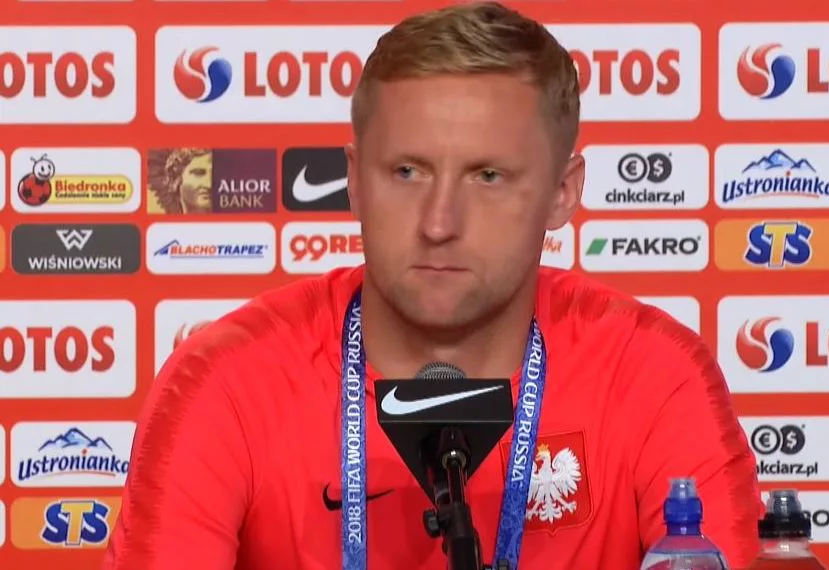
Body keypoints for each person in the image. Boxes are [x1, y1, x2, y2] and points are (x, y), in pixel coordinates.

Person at [103, 2, 762, 569]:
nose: (439, 223)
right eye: (408, 172)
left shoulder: (655, 377)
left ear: (563, 193)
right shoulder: (228, 381)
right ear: (354, 181)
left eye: (488, 176)